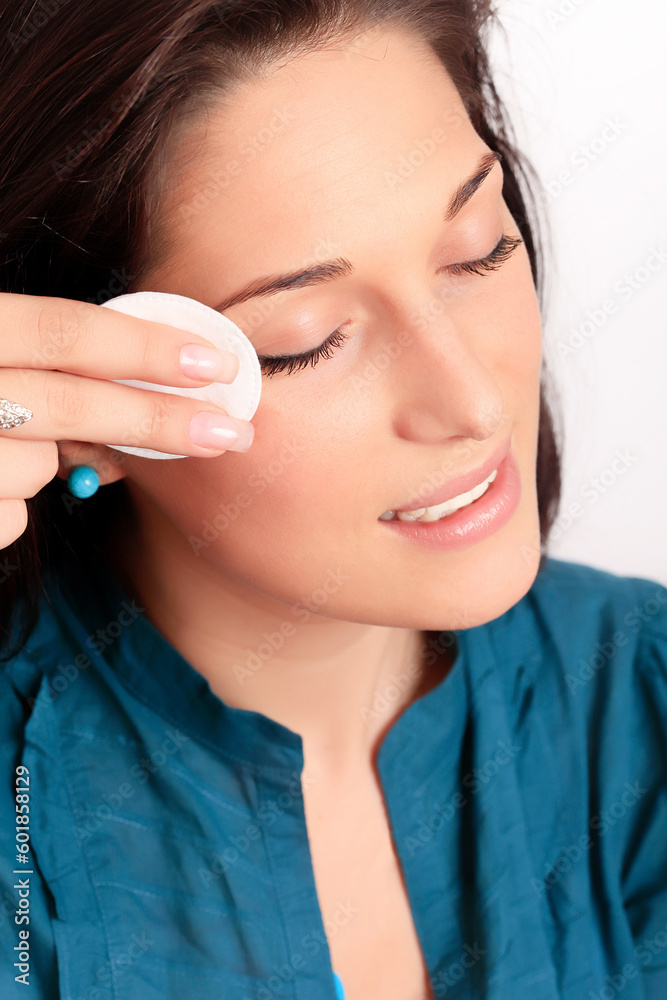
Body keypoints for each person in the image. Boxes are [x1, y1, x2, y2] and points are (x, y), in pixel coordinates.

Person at [0, 1, 665, 998]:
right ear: (92, 386)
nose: (471, 400)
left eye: (478, 248)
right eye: (303, 339)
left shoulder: (640, 695)